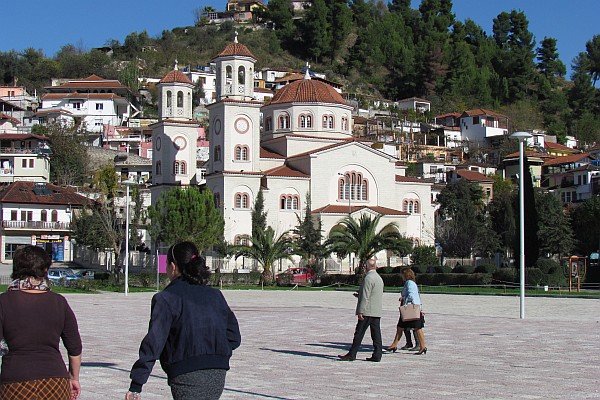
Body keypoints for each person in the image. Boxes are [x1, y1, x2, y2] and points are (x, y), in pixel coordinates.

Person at [127, 241, 241, 400]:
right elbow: (234, 337)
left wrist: (136, 385)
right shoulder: (215, 295)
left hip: (185, 373)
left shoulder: (166, 298)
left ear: (173, 266)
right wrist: (214, 351)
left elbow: (153, 344)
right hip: (218, 372)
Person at [0, 245, 82, 399]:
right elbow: (75, 348)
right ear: (45, 270)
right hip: (55, 381)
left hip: (15, 381)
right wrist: (73, 377)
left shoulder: (3, 302)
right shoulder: (59, 302)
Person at [338, 259, 384, 362]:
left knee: (359, 333)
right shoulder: (378, 278)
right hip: (376, 310)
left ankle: (352, 354)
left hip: (367, 310)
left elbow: (366, 296)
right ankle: (377, 354)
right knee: (376, 334)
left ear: (366, 267)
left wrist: (360, 311)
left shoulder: (368, 278)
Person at [386, 268, 427, 355]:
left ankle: (422, 346)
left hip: (409, 309)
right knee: (403, 327)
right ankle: (395, 344)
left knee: (414, 327)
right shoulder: (412, 283)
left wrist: (404, 299)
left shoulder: (409, 283)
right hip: (413, 308)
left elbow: (411, 295)